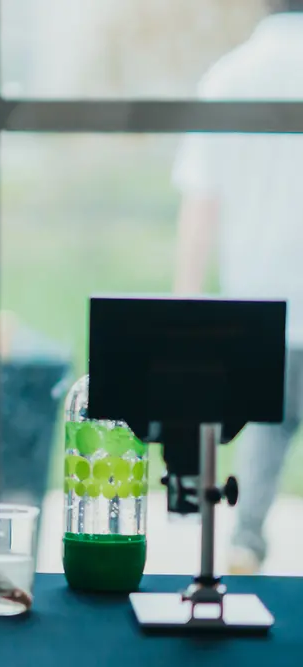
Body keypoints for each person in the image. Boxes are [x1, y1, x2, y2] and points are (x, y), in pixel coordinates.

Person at [172, 0, 303, 574]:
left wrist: (186, 298)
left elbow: (202, 200)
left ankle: (246, 540)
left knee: (266, 431)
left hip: (259, 301)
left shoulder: (230, 75)